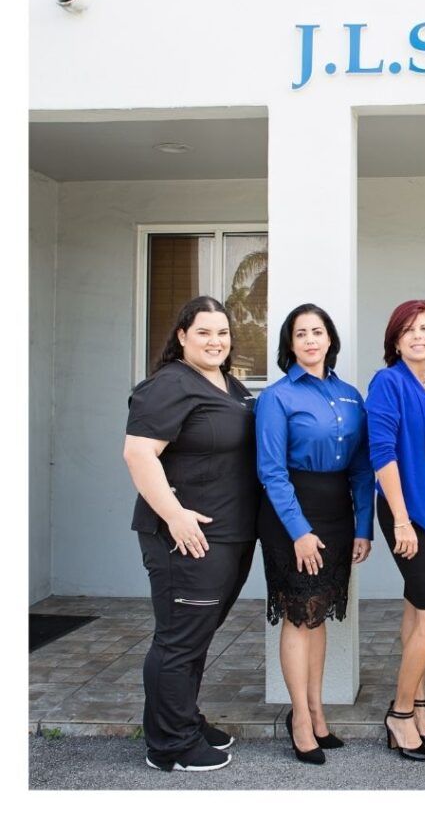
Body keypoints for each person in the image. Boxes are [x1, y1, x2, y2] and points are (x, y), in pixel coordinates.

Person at [123, 295, 259, 773]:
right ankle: (169, 746)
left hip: (229, 535)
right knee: (178, 641)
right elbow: (139, 454)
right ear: (182, 336)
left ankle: (182, 719)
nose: (215, 341)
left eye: (222, 332)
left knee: (196, 637)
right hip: (187, 538)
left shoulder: (228, 384)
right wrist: (176, 515)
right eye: (204, 332)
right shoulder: (168, 386)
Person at [255, 303, 374, 765]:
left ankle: (317, 711)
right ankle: (299, 720)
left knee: (318, 614)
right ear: (289, 343)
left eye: (317, 331)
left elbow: (363, 468)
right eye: (300, 333)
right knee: (297, 615)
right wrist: (300, 532)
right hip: (291, 515)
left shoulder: (349, 394)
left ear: (330, 340)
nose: (309, 339)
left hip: (337, 515)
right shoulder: (277, 397)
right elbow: (270, 470)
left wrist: (363, 526)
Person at [366, 300, 425, 762]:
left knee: (415, 610)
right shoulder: (389, 382)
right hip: (410, 514)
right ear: (396, 340)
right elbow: (381, 453)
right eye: (409, 330)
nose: (418, 336)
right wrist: (401, 519)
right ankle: (400, 713)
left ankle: (420, 710)